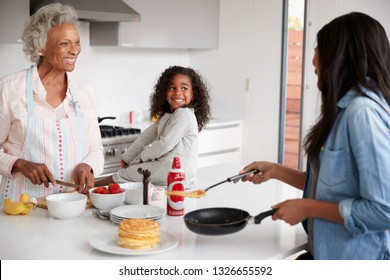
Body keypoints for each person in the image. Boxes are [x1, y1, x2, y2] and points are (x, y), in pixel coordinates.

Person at [239, 12, 390, 260]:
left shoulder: (361, 114)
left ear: (341, 55)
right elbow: (334, 185)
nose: (312, 61)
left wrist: (307, 207)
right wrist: (276, 170)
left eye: (318, 49)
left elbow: (384, 210)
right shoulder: (344, 111)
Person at [0, 3, 104, 203]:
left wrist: (88, 166)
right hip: (23, 207)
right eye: (65, 43)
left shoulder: (84, 89)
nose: (75, 51)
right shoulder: (10, 88)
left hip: (74, 205)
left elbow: (95, 147)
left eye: (77, 42)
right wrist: (18, 163)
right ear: (41, 47)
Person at [95, 65, 211, 188]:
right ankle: (93, 188)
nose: (178, 92)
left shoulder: (184, 114)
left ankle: (90, 188)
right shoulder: (168, 116)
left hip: (175, 171)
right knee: (129, 175)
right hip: (170, 170)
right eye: (172, 88)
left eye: (184, 88)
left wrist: (144, 157)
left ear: (193, 94)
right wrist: (127, 158)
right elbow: (145, 137)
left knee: (125, 175)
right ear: (164, 92)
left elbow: (164, 144)